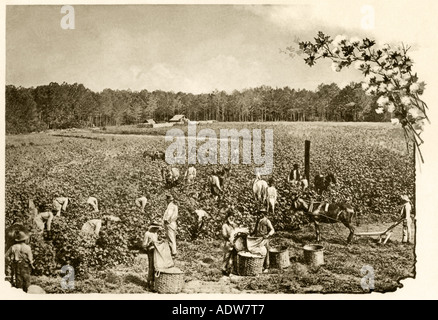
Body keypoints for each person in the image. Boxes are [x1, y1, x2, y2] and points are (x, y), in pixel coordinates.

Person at [252, 208, 275, 273]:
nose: (260, 214)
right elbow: (255, 230)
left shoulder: (267, 221)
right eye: (259, 213)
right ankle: (259, 266)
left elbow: (272, 230)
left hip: (264, 239)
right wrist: (251, 234)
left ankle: (266, 267)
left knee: (266, 252)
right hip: (257, 239)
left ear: (264, 214)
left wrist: (268, 235)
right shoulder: (258, 221)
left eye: (261, 213)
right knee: (259, 252)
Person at [142, 220, 162, 290]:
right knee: (151, 266)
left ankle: (155, 283)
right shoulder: (147, 233)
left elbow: (157, 242)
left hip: (156, 251)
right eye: (155, 228)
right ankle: (149, 283)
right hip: (150, 251)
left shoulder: (156, 234)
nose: (156, 230)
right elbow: (144, 245)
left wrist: (160, 242)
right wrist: (149, 243)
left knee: (157, 266)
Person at [221, 209, 238, 276]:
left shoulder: (235, 225)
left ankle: (231, 270)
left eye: (232, 217)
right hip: (228, 243)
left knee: (234, 257)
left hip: (235, 243)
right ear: (227, 218)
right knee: (227, 257)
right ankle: (224, 269)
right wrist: (230, 237)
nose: (231, 218)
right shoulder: (225, 225)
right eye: (230, 217)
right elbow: (224, 235)